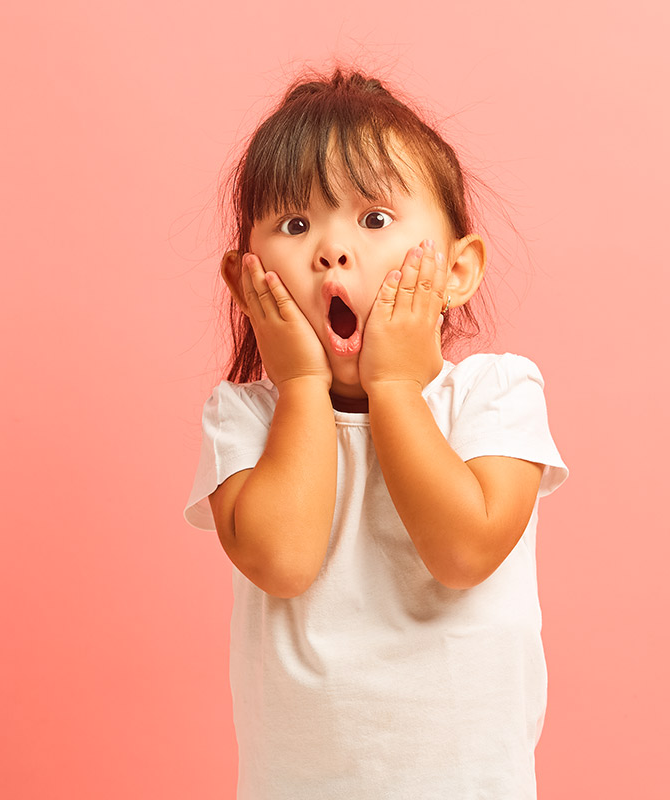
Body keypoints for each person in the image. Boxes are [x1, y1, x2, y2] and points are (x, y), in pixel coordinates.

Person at [183, 67, 569, 799]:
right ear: (246, 280)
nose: (332, 251)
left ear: (458, 270)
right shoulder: (246, 419)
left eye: (374, 219)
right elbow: (283, 560)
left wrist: (394, 386)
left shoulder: (495, 395)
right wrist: (300, 386)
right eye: (296, 227)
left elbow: (462, 550)